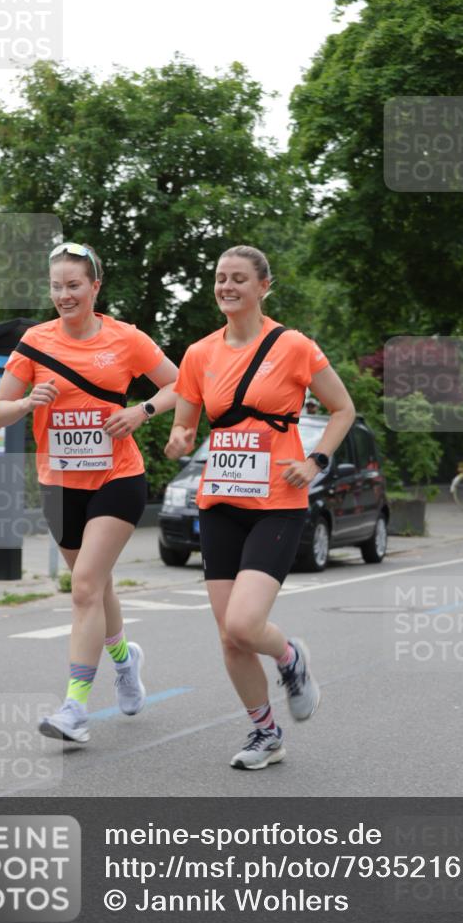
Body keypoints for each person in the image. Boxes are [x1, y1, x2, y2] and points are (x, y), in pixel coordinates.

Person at [164, 245, 356, 769]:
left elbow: (343, 408)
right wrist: (180, 440)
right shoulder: (200, 354)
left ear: (263, 286)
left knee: (246, 625)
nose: (227, 286)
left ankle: (291, 657)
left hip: (277, 500)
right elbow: (185, 423)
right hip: (220, 500)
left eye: (239, 279)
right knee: (229, 638)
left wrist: (316, 461)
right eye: (220, 278)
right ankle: (265, 734)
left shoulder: (293, 346)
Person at [0, 242, 179, 743]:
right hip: (59, 484)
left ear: (95, 287)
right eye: (56, 286)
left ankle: (74, 708)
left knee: (83, 588)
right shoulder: (35, 341)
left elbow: (180, 385)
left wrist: (142, 412)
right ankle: (125, 661)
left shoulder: (126, 338)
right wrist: (29, 400)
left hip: (117, 478)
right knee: (95, 586)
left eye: (74, 285)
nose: (64, 295)